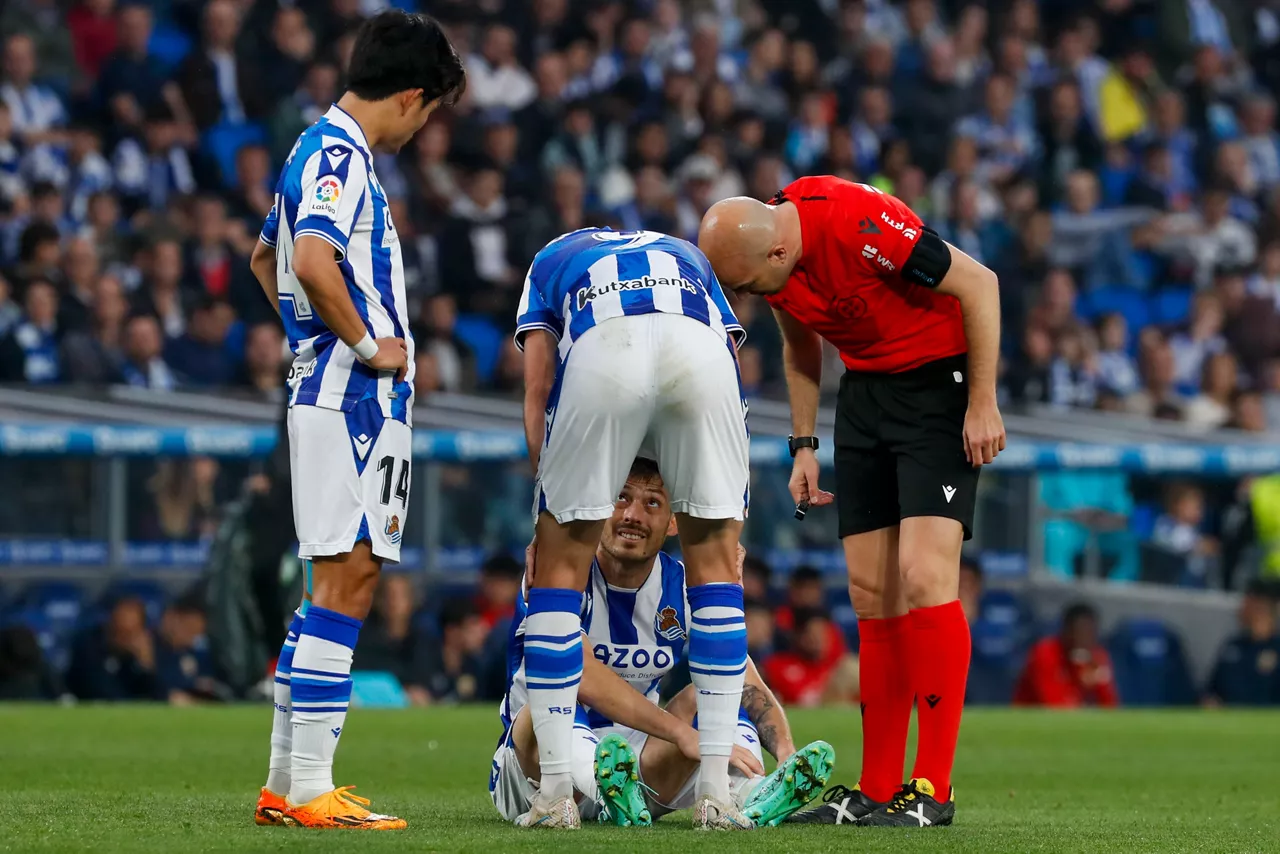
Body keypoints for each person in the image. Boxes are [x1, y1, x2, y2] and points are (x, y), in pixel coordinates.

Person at [699, 176, 1005, 827]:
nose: (749, 297)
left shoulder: (858, 222)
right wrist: (803, 445)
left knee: (924, 575)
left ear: (777, 253)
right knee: (870, 593)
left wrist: (982, 402)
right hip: (864, 397)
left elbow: (980, 284)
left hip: (937, 390)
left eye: (748, 286)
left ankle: (933, 789)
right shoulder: (771, 261)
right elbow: (800, 345)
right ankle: (876, 787)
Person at [246, 10, 465, 831]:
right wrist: (367, 345)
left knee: (327, 587)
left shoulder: (312, 149)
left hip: (331, 389)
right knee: (350, 580)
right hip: (354, 397)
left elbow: (265, 258)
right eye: (430, 111)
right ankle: (310, 787)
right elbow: (308, 260)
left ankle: (286, 783)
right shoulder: (341, 155)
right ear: (410, 97)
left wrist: (307, 336)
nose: (422, 128)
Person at [516, 224, 752, 830]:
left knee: (557, 576)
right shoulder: (688, 256)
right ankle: (718, 795)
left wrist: (547, 514)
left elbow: (539, 385)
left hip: (604, 345)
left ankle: (555, 795)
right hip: (699, 349)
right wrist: (729, 530)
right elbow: (731, 366)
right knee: (716, 576)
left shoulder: (553, 257)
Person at [491, 457, 834, 829]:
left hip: (639, 768)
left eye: (652, 502)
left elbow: (741, 673)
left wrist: (785, 751)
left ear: (673, 522)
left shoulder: (684, 585)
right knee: (552, 699)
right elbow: (580, 672)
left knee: (717, 690)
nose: (633, 515)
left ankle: (754, 793)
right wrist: (683, 735)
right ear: (600, 507)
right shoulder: (559, 574)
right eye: (621, 498)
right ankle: (605, 787)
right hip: (534, 771)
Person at [1013, 603, 1119, 708]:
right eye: (1079, 632)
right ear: (1066, 631)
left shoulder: (1097, 657)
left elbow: (1110, 705)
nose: (1084, 639)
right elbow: (1053, 703)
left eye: (1089, 633)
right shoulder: (1045, 652)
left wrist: (1100, 678)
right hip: (1032, 715)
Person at [1204, 581, 1280, 706]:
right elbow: (1211, 688)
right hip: (1227, 715)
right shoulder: (1233, 646)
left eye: (1249, 605)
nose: (1242, 610)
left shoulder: (1276, 648)